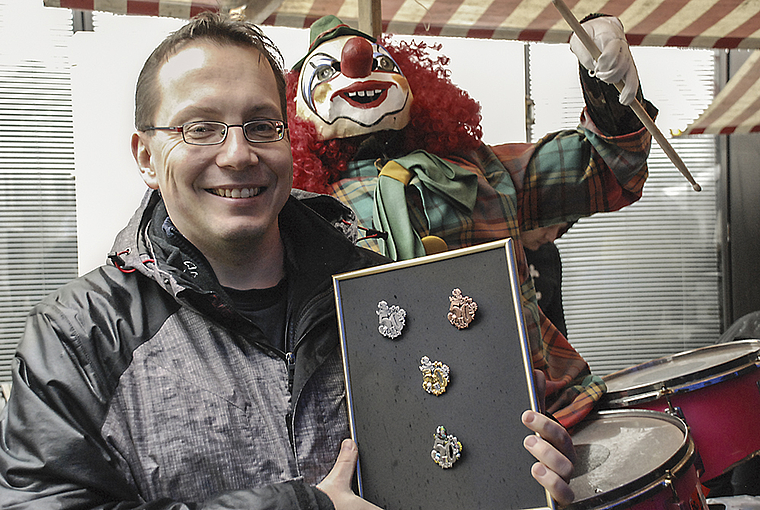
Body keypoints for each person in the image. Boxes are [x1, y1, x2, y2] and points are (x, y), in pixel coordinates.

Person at [0, 12, 576, 509]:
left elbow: (453, 467)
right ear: (146, 157)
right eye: (199, 128)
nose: (237, 154)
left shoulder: (383, 291)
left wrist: (519, 466)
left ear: (287, 137)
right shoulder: (78, 335)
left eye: (260, 125)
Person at [285, 14, 657, 428]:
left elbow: (604, 166)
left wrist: (605, 83)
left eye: (380, 62)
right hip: (405, 445)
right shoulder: (301, 213)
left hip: (553, 417)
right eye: (327, 70)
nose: (357, 65)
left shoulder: (486, 171)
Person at [522, 223, 571, 337]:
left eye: (559, 228)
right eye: (548, 226)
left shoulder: (550, 253)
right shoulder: (493, 250)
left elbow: (556, 319)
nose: (552, 236)